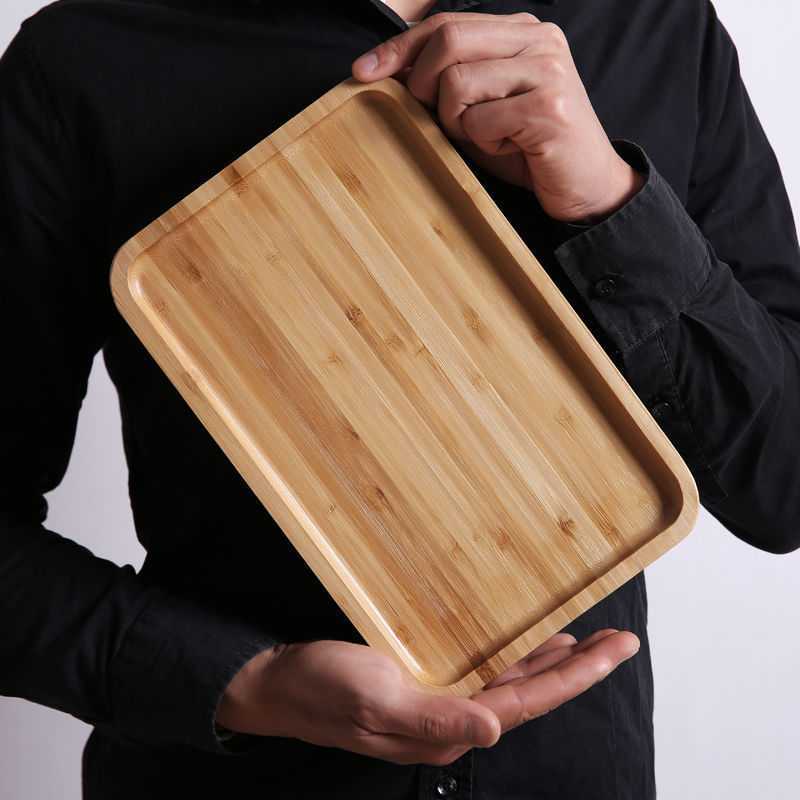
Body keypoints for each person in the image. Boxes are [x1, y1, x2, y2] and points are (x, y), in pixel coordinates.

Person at [1, 0, 798, 798]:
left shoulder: (656, 25)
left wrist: (613, 204)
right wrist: (244, 683)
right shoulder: (85, 56)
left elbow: (783, 485)